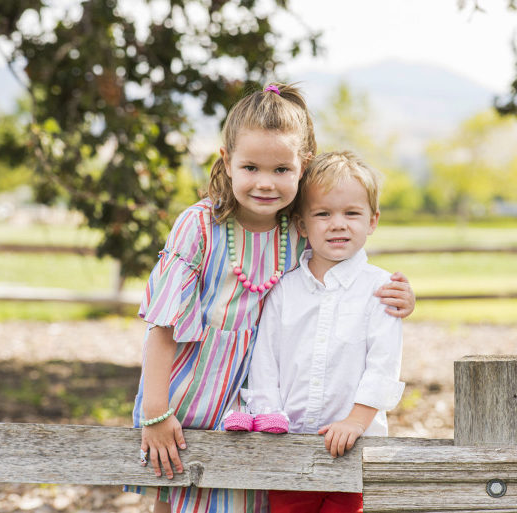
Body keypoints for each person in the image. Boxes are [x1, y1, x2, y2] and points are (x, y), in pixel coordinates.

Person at [125, 84, 415, 513]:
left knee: (248, 500)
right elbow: (163, 324)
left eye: (282, 169)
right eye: (250, 167)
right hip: (186, 394)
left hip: (258, 402)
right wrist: (155, 410)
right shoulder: (200, 226)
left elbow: (346, 275)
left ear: (303, 167)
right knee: (178, 495)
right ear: (226, 161)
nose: (265, 182)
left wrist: (401, 296)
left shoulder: (297, 230)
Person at [240, 151, 405, 513]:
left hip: (353, 449)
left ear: (372, 220)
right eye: (323, 214)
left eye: (351, 213)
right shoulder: (284, 289)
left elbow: (384, 365)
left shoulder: (381, 289)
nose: (338, 224)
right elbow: (266, 359)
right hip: (289, 449)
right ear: (302, 224)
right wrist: (269, 415)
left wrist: (355, 421)